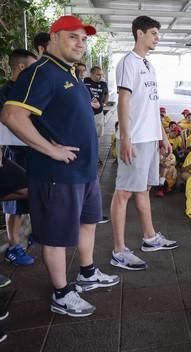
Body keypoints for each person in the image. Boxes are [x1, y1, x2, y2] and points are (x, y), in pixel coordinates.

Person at [1, 15, 119, 316]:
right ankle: (61, 293)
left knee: (87, 221)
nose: (80, 43)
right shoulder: (41, 72)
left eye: (84, 38)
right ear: (53, 38)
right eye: (72, 37)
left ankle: (87, 273)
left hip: (83, 170)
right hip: (58, 173)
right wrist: (50, 150)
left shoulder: (69, 73)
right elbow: (12, 116)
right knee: (56, 234)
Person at [110, 16, 178, 271]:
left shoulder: (149, 66)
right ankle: (119, 250)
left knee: (144, 189)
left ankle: (149, 237)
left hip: (150, 137)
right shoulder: (128, 63)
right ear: (139, 34)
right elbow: (124, 101)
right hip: (135, 139)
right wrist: (125, 138)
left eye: (157, 34)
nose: (157, 38)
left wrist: (162, 135)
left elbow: (151, 104)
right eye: (153, 33)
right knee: (123, 192)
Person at [0, 49, 37, 267]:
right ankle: (13, 247)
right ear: (21, 67)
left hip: (34, 150)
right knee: (13, 205)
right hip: (14, 152)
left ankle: (35, 233)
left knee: (33, 193)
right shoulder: (5, 93)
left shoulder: (32, 90)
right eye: (32, 68)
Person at [84, 66, 108, 165]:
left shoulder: (103, 84)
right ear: (92, 74)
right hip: (86, 113)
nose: (100, 77)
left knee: (97, 137)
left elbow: (106, 94)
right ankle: (87, 157)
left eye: (101, 74)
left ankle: (96, 157)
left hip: (98, 113)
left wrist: (104, 103)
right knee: (87, 136)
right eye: (98, 74)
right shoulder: (86, 81)